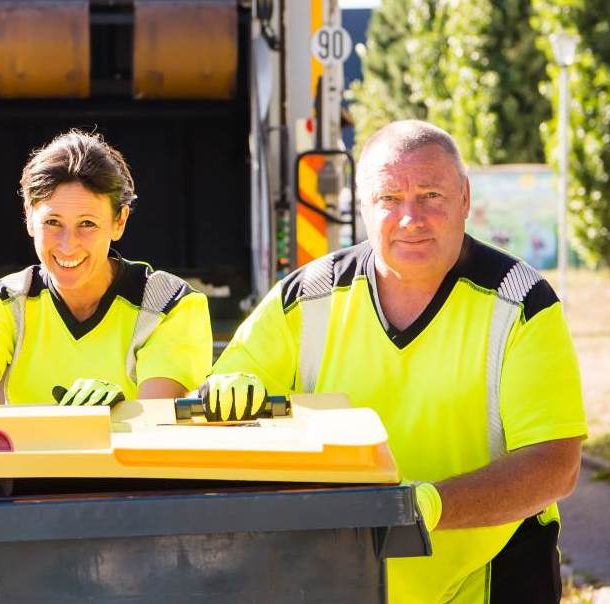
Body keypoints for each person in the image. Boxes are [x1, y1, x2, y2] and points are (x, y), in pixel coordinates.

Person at [203, 120, 586, 602]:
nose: (411, 218)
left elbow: (556, 465)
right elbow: (221, 397)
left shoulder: (521, 303)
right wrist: (226, 387)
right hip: (339, 579)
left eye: (430, 195)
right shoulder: (305, 298)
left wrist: (428, 505)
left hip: (489, 576)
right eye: (389, 198)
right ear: (361, 206)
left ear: (464, 199)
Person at [0, 130, 211, 408]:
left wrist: (119, 413)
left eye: (87, 224)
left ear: (120, 222)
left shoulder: (170, 305)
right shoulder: (3, 300)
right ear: (28, 217)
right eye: (53, 222)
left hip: (127, 470)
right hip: (27, 469)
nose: (68, 245)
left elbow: (158, 421)